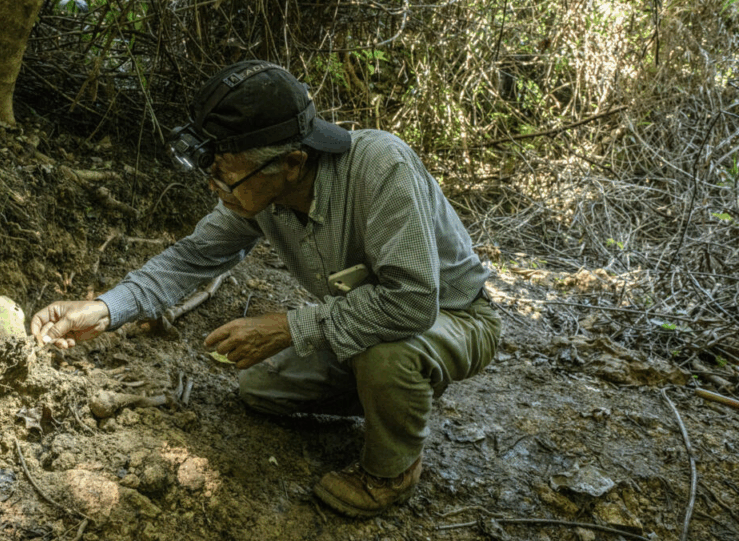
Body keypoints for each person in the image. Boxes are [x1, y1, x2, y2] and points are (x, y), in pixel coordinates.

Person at [30, 60, 501, 517]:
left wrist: (288, 327)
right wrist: (105, 308)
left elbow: (413, 302)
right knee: (261, 387)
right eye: (210, 173)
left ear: (292, 162)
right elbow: (194, 257)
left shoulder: (381, 167)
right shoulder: (259, 192)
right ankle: (395, 397)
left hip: (455, 317)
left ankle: (391, 471)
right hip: (378, 319)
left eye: (225, 176)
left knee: (389, 357)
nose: (216, 187)